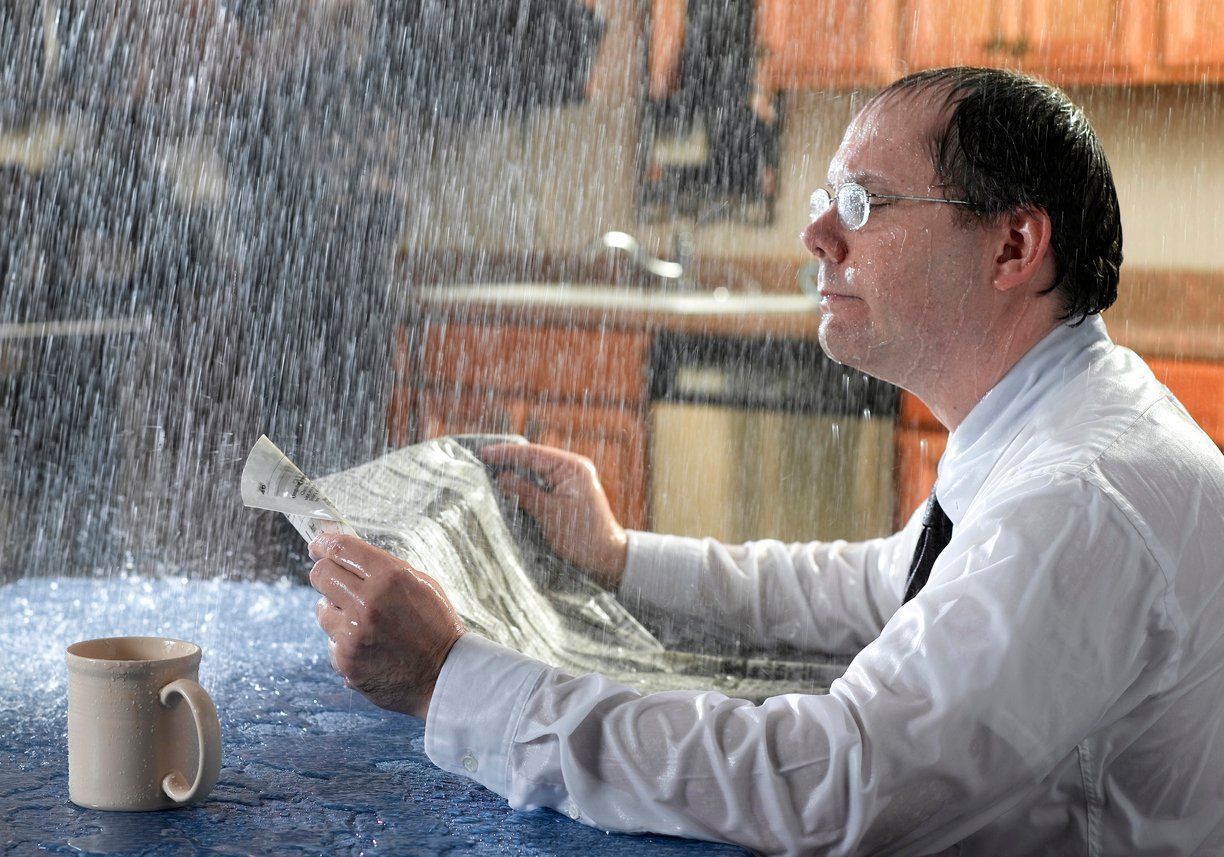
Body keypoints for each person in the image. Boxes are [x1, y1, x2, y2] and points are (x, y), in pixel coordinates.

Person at [308, 66, 1224, 855]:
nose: (818, 235)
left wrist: (454, 679)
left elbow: (833, 783)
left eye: (863, 204)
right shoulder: (1064, 417)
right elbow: (882, 584)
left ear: (1014, 247)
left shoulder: (1078, 500)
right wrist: (620, 555)